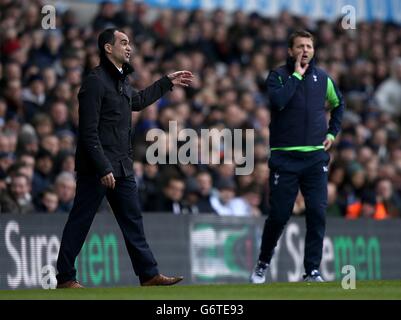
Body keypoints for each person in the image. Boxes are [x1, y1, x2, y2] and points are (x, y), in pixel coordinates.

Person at [56, 28, 193, 288]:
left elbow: (138, 101)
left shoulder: (121, 81)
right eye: (124, 42)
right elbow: (87, 131)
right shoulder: (95, 81)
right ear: (108, 48)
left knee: (132, 221)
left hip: (122, 165)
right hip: (98, 168)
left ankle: (149, 274)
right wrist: (102, 167)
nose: (129, 47)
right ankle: (65, 277)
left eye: (130, 43)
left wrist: (166, 82)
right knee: (81, 219)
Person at [250, 30, 344, 283]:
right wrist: (296, 75)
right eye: (300, 46)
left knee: (317, 212)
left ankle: (312, 270)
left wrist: (332, 134)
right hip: (285, 158)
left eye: (309, 46)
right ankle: (263, 262)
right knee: (280, 215)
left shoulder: (323, 78)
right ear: (290, 51)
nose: (305, 50)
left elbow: (339, 105)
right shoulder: (278, 76)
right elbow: (279, 101)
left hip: (315, 158)